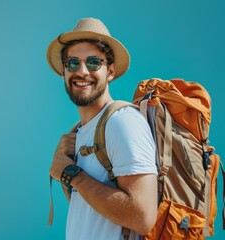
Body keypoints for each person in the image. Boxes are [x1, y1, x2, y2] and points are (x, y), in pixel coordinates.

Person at [46, 18, 158, 240]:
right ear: (64, 72)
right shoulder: (78, 133)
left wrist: (71, 174)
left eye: (94, 62)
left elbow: (142, 218)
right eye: (73, 63)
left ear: (111, 71)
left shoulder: (122, 123)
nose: (82, 71)